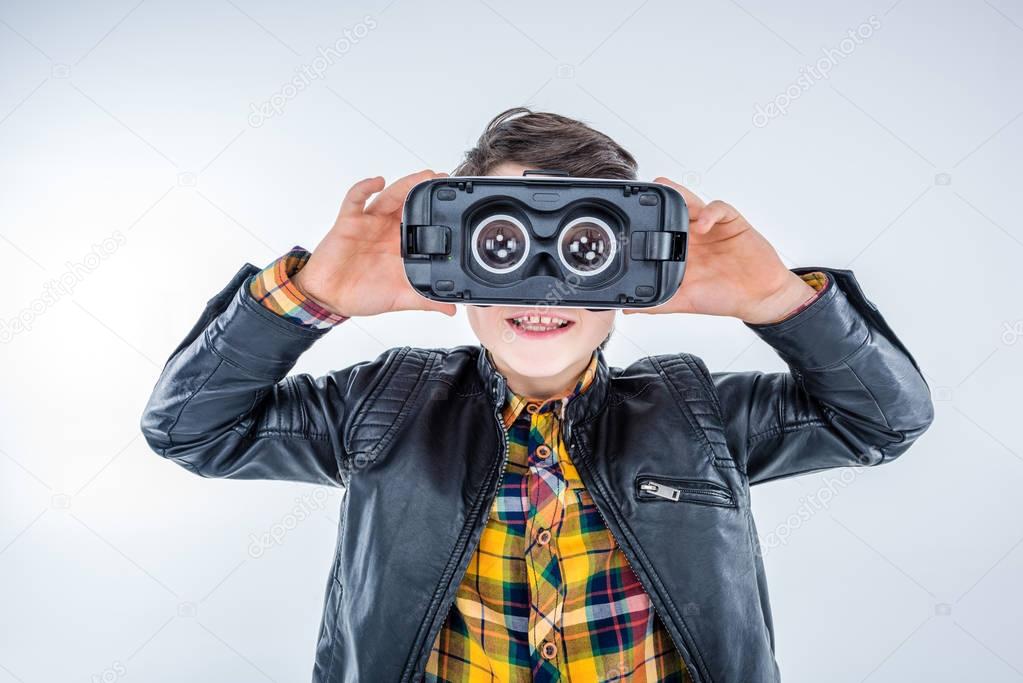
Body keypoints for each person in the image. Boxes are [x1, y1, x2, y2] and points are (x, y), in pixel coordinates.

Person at [141, 108, 933, 683]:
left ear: (629, 275)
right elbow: (191, 429)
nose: (545, 281)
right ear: (453, 260)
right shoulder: (382, 405)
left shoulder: (700, 415)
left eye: (586, 247)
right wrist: (313, 295)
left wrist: (778, 300)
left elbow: (883, 420)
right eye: (502, 245)